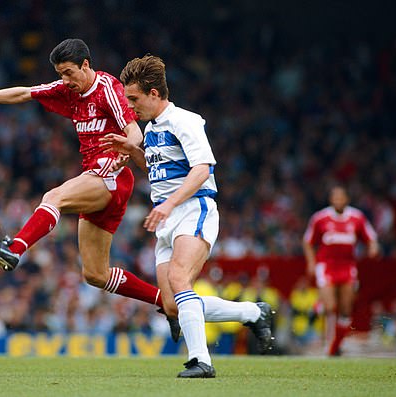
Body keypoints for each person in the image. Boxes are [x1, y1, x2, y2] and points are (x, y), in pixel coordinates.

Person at [0, 39, 179, 338]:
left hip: (112, 175)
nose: (65, 80)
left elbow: (134, 129)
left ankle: (15, 249)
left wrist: (128, 148)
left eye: (69, 72)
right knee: (95, 274)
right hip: (96, 180)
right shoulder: (66, 89)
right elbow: (23, 93)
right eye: (61, 74)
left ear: (86, 65)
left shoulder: (107, 88)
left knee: (53, 196)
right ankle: (167, 303)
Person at [101, 55, 274, 378]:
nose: (130, 107)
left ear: (154, 94)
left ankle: (201, 361)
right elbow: (156, 171)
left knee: (181, 280)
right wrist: (132, 152)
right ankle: (252, 312)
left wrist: (168, 204)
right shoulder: (152, 128)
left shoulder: (185, 120)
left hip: (194, 207)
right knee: (172, 304)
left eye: (134, 99)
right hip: (166, 219)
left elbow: (202, 168)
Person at [302, 185, 379, 356]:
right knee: (331, 306)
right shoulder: (320, 218)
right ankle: (329, 340)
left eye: (341, 198)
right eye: (335, 198)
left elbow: (371, 237)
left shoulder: (357, 217)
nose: (338, 201)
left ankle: (336, 344)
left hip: (347, 267)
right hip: (327, 266)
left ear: (346, 199)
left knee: (345, 309)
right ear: (331, 200)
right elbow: (308, 241)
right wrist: (311, 262)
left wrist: (373, 247)